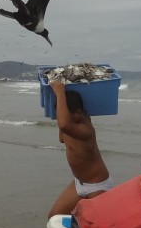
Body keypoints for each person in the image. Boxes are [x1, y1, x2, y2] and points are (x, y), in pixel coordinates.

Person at [47, 78, 114, 218]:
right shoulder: (68, 126)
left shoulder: (85, 128)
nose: (61, 118)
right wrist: (61, 103)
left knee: (97, 227)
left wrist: (60, 93)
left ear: (78, 113)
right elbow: (62, 134)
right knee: (54, 217)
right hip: (79, 183)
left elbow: (64, 125)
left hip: (97, 185)